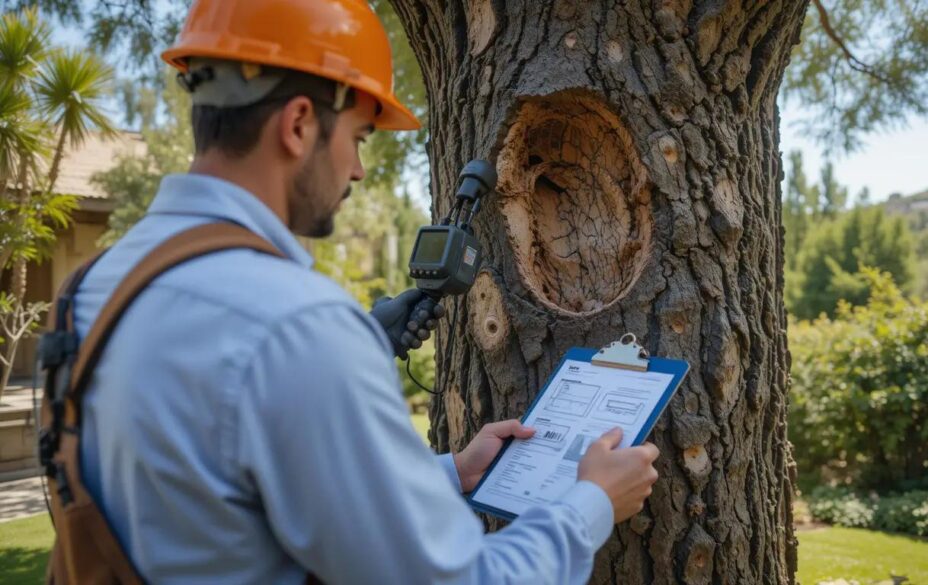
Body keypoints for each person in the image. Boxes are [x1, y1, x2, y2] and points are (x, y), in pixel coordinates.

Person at [76, 0, 661, 582]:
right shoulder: (297, 325)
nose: (357, 169)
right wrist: (590, 504)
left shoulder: (92, 290)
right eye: (357, 136)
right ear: (298, 124)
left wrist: (452, 472)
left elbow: (228, 492)